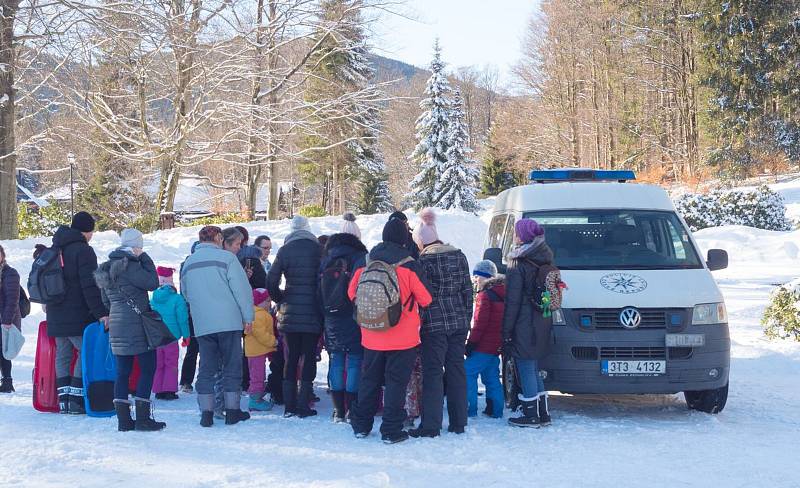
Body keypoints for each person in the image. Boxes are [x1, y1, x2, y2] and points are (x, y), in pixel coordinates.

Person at [348, 217, 432, 444]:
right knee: (396, 383)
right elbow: (426, 298)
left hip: (371, 333)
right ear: (405, 239)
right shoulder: (409, 264)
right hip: (403, 338)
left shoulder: (366, 260)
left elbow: (351, 293)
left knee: (369, 380)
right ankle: (391, 430)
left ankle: (361, 425)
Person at [181, 225, 254, 427]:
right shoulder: (227, 259)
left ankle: (206, 413)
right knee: (232, 366)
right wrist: (248, 317)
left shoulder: (189, 263)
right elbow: (242, 291)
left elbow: (186, 294)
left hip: (203, 323)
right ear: (219, 238)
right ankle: (232, 411)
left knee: (206, 367)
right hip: (228, 321)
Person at [409, 208, 473, 438]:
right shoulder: (459, 255)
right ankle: (459, 421)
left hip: (433, 326)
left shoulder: (422, 261)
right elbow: (468, 291)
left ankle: (431, 425)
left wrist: (422, 323)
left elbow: (422, 297)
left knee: (433, 373)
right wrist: (467, 318)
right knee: (456, 370)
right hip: (458, 323)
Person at [94, 228, 165, 431]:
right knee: (148, 367)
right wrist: (145, 257)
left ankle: (123, 421)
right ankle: (142, 419)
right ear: (136, 246)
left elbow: (106, 301)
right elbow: (152, 283)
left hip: (117, 323)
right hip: (137, 324)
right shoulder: (132, 265)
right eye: (140, 247)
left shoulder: (106, 267)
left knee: (122, 372)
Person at [47, 212, 109, 414]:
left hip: (55, 313)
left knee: (63, 355)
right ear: (87, 231)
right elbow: (90, 286)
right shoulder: (84, 251)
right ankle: (76, 399)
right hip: (77, 314)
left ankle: (63, 400)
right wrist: (101, 313)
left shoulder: (56, 247)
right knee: (85, 351)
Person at [502, 219, 563, 428]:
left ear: (523, 236)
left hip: (524, 323)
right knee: (534, 366)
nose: (514, 236)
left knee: (525, 365)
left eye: (516, 232)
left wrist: (506, 330)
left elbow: (513, 301)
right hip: (542, 319)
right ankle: (542, 412)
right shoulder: (544, 258)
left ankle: (530, 414)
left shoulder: (519, 262)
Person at [267, 215, 322, 418]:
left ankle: (289, 406)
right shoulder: (318, 250)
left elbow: (271, 280)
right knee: (308, 357)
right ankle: (303, 405)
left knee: (290, 358)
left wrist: (280, 298)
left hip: (289, 312)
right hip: (313, 311)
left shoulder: (285, 250)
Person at [320, 213, 368, 422]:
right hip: (353, 314)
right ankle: (351, 408)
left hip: (331, 315)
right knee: (355, 360)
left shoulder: (327, 256)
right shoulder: (360, 257)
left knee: (336, 358)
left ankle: (338, 410)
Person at [465, 260, 505, 419]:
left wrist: (471, 343)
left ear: (485, 277)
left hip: (483, 345)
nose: (474, 279)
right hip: (496, 345)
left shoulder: (485, 295)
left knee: (467, 372)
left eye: (477, 276)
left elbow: (480, 324)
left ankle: (470, 409)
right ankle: (496, 410)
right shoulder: (503, 293)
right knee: (492, 378)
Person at [150, 266, 190, 401]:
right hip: (171, 337)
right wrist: (186, 335)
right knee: (171, 363)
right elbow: (182, 319)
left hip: (156, 337)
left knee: (158, 364)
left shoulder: (153, 298)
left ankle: (158, 390)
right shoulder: (177, 299)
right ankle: (169, 390)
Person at [245, 288, 277, 412]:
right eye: (267, 301)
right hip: (255, 351)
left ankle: (257, 395)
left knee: (259, 374)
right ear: (259, 302)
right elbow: (261, 334)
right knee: (257, 375)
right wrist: (273, 341)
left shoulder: (259, 313)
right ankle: (254, 400)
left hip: (258, 351)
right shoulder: (257, 315)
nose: (270, 303)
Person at [179, 241, 200, 393]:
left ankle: (203, 380)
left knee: (204, 347)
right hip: (193, 311)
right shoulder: (187, 265)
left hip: (202, 310)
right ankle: (186, 381)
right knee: (193, 347)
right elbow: (184, 289)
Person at [0, 245, 21, 393]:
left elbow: (12, 299)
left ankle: (7, 381)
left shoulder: (10, 273)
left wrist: (7, 320)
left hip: (6, 318)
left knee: (4, 350)